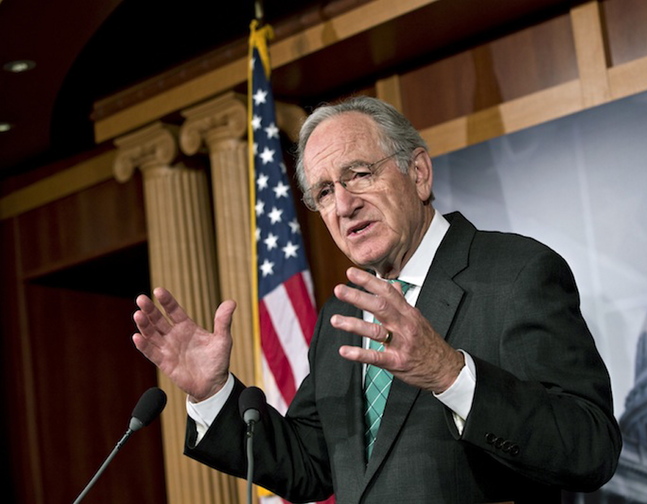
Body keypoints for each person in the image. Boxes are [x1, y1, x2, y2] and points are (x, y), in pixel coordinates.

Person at [132, 96, 621, 503]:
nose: (344, 205)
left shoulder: (516, 273)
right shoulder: (341, 313)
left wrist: (451, 373)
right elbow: (312, 464)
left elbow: (591, 447)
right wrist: (214, 395)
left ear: (420, 173)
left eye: (359, 174)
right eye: (325, 191)